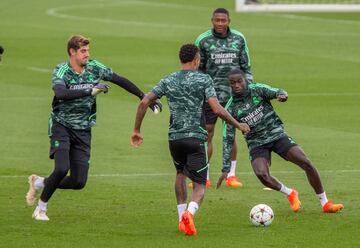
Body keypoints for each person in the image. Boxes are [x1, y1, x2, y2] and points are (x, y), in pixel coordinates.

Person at [25, 35, 162, 221]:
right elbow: (60, 93)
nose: (87, 55)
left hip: (83, 129)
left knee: (78, 181)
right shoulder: (61, 70)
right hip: (61, 125)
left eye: (88, 51)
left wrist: (145, 98)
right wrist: (89, 90)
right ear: (72, 52)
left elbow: (120, 80)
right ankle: (40, 209)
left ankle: (39, 182)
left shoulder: (95, 67)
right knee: (61, 168)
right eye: (83, 51)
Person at [131, 44, 250, 235]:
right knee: (200, 184)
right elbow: (217, 109)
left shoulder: (168, 79)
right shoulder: (204, 79)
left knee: (180, 173)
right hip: (196, 137)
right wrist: (239, 124)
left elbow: (145, 101)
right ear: (196, 60)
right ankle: (189, 212)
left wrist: (136, 130)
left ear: (181, 60)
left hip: (174, 138)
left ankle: (181, 219)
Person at [217, 69, 344, 213]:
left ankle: (325, 203)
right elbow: (227, 138)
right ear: (229, 85)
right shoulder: (230, 108)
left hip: (277, 135)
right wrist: (226, 168)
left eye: (239, 81)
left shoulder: (257, 90)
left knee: (305, 162)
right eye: (233, 83)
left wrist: (282, 95)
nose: (237, 85)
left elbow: (277, 91)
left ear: (245, 80)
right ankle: (290, 193)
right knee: (262, 175)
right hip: (257, 143)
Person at [194, 8, 253, 188]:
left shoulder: (239, 39)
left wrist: (248, 88)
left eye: (223, 20)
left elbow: (246, 66)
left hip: (233, 97)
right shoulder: (203, 40)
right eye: (217, 20)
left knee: (231, 133)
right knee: (208, 133)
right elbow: (197, 69)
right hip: (211, 96)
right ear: (212, 20)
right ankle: (205, 176)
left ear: (229, 21)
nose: (220, 23)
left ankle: (231, 176)